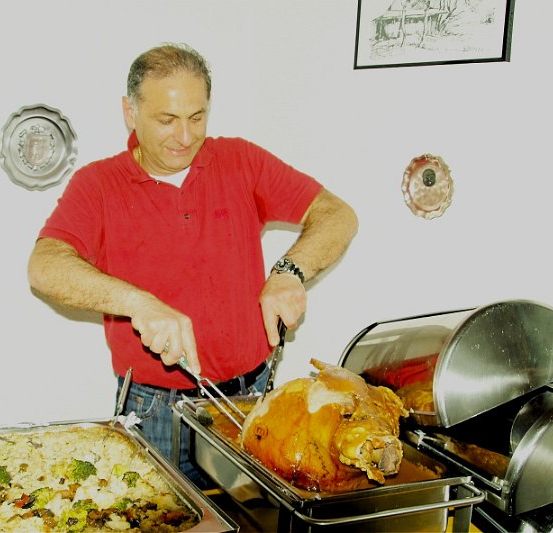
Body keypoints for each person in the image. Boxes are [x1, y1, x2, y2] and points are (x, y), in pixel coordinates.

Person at [27, 42, 358, 486]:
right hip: (153, 409)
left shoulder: (240, 160)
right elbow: (44, 267)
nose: (185, 137)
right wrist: (138, 303)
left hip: (251, 398)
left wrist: (289, 272)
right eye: (167, 120)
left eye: (197, 118)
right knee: (159, 515)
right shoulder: (98, 184)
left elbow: (338, 215)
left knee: (251, 515)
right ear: (130, 112)